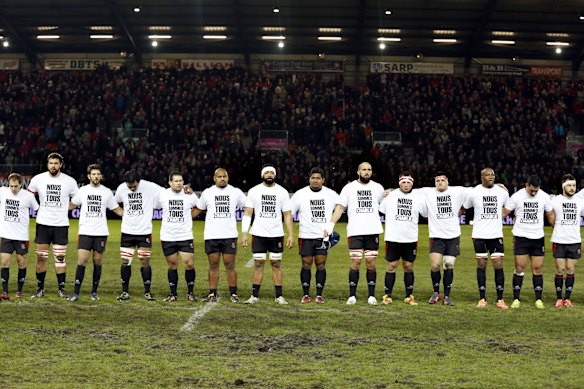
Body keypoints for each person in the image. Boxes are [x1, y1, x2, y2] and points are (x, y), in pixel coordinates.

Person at [325, 162, 385, 305]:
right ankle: (352, 295)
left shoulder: (378, 188)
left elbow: (387, 205)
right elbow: (340, 208)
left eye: (369, 170)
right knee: (356, 262)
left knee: (371, 263)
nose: (366, 172)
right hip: (355, 231)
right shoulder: (349, 188)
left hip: (373, 231)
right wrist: (330, 225)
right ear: (358, 172)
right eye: (363, 170)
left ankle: (371, 296)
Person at [67, 164, 123, 302]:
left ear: (101, 176)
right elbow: (71, 205)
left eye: (98, 174)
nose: (96, 176)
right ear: (89, 176)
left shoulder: (107, 192)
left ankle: (94, 292)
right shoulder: (83, 191)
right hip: (85, 231)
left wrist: (133, 216)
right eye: (93, 174)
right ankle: (76, 292)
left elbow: (117, 210)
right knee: (82, 261)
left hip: (101, 232)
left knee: (97, 261)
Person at [241, 164, 294, 305]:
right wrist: (244, 233)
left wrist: (291, 234)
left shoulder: (282, 192)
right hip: (258, 234)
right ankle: (254, 296)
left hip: (276, 234)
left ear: (275, 175)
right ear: (262, 175)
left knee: (276, 264)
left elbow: (287, 215)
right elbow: (248, 213)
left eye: (272, 172)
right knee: (258, 264)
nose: (269, 174)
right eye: (267, 172)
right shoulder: (254, 191)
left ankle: (279, 296)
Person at [28, 152, 78, 298]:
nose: (53, 166)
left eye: (56, 163)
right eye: (51, 163)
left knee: (60, 258)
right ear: (47, 164)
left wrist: (65, 208)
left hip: (61, 225)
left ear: (61, 165)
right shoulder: (38, 179)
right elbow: (29, 195)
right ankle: (39, 288)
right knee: (41, 257)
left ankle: (61, 289)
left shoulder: (70, 181)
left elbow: (78, 200)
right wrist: (38, 208)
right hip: (43, 224)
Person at [193, 168, 246, 303]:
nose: (222, 179)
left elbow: (249, 205)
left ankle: (233, 293)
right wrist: (184, 219)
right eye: (219, 176)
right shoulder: (207, 193)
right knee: (213, 265)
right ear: (214, 178)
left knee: (230, 265)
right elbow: (198, 209)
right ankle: (212, 293)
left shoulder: (236, 192)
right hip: (212, 235)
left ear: (228, 178)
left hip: (229, 235)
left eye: (224, 176)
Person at [417, 172, 469, 306]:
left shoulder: (457, 191)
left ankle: (447, 296)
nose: (440, 182)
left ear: (447, 182)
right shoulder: (427, 192)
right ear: (434, 183)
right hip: (436, 236)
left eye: (443, 180)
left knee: (449, 264)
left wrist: (497, 186)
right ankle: (435, 293)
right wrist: (391, 191)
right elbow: (408, 190)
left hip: (453, 236)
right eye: (437, 180)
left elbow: (477, 191)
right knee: (435, 265)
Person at [290, 167, 340, 304]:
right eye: (313, 178)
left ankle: (319, 294)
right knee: (306, 264)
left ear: (323, 180)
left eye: (318, 178)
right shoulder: (300, 194)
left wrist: (331, 225)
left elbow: (342, 207)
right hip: (305, 236)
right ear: (309, 179)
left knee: (321, 264)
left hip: (322, 236)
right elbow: (289, 212)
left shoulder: (331, 194)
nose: (315, 180)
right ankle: (306, 294)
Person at [503, 175, 553, 309]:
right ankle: (516, 298)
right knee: (519, 268)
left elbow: (550, 216)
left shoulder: (544, 197)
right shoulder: (517, 196)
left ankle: (538, 299)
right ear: (526, 185)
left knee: (537, 268)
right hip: (521, 237)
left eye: (536, 190)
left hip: (538, 238)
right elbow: (505, 212)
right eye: (531, 190)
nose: (534, 193)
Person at [463, 167, 510, 309]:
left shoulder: (502, 192)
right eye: (487, 175)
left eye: (493, 175)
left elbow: (508, 208)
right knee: (482, 265)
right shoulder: (474, 192)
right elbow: (465, 207)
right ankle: (482, 298)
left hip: (495, 234)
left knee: (498, 265)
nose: (491, 177)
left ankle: (500, 299)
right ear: (482, 177)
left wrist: (499, 217)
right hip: (479, 234)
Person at [378, 171, 427, 306]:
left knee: (408, 267)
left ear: (412, 184)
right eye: (403, 182)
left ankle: (409, 296)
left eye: (408, 183)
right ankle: (387, 296)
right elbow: (381, 209)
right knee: (391, 266)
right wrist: (388, 192)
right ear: (399, 183)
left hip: (410, 238)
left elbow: (425, 213)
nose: (406, 185)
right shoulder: (391, 196)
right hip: (393, 237)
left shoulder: (418, 197)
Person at [114, 170, 164, 301]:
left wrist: (184, 190)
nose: (131, 188)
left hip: (144, 232)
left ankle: (147, 291)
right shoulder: (121, 188)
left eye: (134, 186)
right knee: (126, 261)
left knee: (145, 260)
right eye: (129, 186)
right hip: (127, 231)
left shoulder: (150, 187)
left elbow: (166, 192)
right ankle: (125, 292)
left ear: (139, 181)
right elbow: (115, 202)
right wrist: (122, 213)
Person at [157, 172, 199, 302]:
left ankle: (190, 293)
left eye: (181, 180)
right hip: (168, 236)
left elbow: (199, 207)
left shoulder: (189, 195)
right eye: (176, 181)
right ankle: (173, 294)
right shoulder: (162, 194)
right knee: (172, 265)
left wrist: (189, 217)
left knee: (189, 264)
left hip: (185, 235)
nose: (179, 183)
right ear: (170, 182)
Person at [0, 173, 39, 299]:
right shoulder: (2, 191)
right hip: (6, 234)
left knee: (21, 262)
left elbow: (36, 208)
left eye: (16, 186)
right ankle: (5, 291)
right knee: (4, 261)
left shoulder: (28, 196)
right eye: (11, 186)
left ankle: (19, 291)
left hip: (21, 236)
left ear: (21, 185)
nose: (13, 189)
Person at [551, 174, 584, 308]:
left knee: (570, 269)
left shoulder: (580, 199)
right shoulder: (555, 200)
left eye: (574, 186)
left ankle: (567, 299)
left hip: (574, 240)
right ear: (563, 186)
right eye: (569, 185)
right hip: (559, 240)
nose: (572, 188)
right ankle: (559, 298)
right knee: (560, 269)